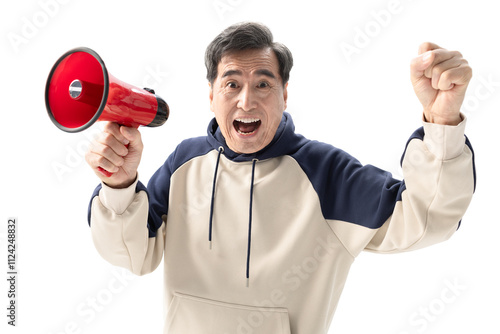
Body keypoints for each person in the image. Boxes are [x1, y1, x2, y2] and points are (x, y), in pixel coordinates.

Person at [85, 22, 475, 334]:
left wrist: (442, 122)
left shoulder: (327, 173)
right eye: (232, 84)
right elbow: (133, 254)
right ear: (211, 95)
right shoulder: (185, 162)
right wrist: (118, 185)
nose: (247, 101)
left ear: (285, 94)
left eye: (263, 84)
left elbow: (426, 219)